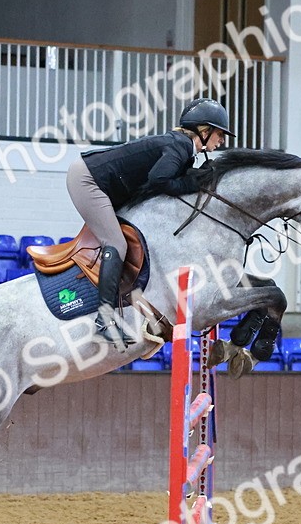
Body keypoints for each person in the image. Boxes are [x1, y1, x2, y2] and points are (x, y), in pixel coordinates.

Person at [67, 98, 234, 348]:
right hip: (88, 180)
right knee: (116, 243)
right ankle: (104, 320)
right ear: (204, 130)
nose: (221, 141)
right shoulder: (180, 145)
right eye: (219, 134)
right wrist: (194, 182)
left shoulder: (184, 150)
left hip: (106, 183)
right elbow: (159, 180)